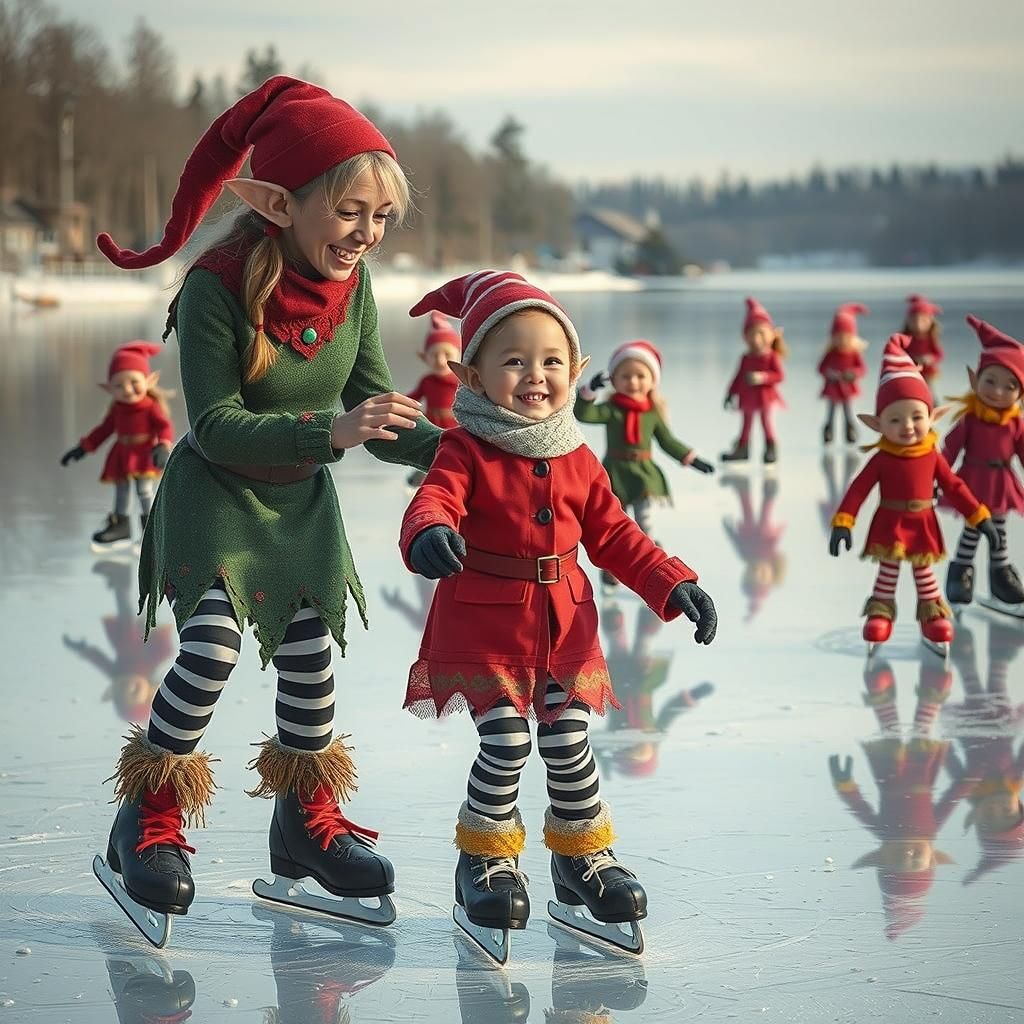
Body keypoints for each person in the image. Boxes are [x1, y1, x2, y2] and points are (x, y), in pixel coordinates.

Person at [90, 76, 440, 946]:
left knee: (310, 660)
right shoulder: (215, 286)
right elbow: (213, 425)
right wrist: (331, 430)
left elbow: (376, 409)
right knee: (210, 648)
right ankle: (146, 816)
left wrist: (465, 452)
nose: (367, 233)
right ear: (277, 204)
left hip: (299, 508)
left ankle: (304, 827)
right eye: (350, 212)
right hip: (214, 496)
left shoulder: (354, 289)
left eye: (382, 216)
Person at [397, 269, 717, 961]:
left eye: (550, 361)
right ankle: (485, 860)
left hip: (566, 630)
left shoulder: (577, 453)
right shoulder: (464, 446)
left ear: (574, 371)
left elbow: (616, 535)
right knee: (507, 742)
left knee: (570, 744)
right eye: (514, 361)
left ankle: (581, 860)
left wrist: (673, 584)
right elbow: (434, 499)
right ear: (472, 376)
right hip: (486, 631)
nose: (535, 376)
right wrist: (427, 532)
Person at [829, 335, 997, 650]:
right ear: (878, 424)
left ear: (931, 417)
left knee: (924, 571)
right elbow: (858, 489)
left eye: (916, 417)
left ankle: (932, 615)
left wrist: (979, 516)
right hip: (890, 522)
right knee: (888, 570)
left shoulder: (931, 456)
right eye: (895, 419)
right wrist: (844, 521)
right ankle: (880, 612)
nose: (907, 426)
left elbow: (954, 486)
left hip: (922, 523)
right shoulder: (881, 458)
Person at [574, 339, 713, 588]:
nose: (633, 382)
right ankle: (613, 568)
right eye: (625, 376)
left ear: (652, 381)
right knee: (614, 523)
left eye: (640, 376)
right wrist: (589, 392)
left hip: (644, 475)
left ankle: (651, 565)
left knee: (645, 522)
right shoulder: (611, 409)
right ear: (614, 380)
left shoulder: (652, 413)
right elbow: (585, 414)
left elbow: (667, 441)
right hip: (615, 473)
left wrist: (692, 458)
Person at [942, 315, 1024, 613]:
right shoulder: (970, 420)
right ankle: (960, 576)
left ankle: (1001, 577)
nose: (997, 392)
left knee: (999, 531)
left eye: (1009, 386)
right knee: (973, 529)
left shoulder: (1015, 424)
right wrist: (937, 477)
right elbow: (949, 449)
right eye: (990, 381)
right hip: (973, 482)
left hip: (1001, 482)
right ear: (976, 380)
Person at [60, 342, 173, 551]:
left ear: (150, 381)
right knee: (121, 491)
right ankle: (121, 528)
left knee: (144, 491)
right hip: (121, 454)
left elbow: (164, 426)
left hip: (143, 454)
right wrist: (83, 448)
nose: (127, 390)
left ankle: (151, 531)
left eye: (134, 382)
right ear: (109, 388)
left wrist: (163, 445)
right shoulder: (117, 410)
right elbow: (103, 430)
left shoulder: (150, 407)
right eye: (119, 385)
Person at [721, 297, 786, 464]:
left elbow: (779, 376)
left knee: (766, 422)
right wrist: (730, 394)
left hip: (765, 396)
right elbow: (738, 377)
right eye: (752, 334)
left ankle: (770, 448)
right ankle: (742, 449)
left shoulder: (771, 357)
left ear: (770, 335)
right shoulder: (746, 358)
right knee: (746, 423)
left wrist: (763, 377)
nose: (756, 339)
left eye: (761, 333)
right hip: (748, 396)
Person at [817, 303, 869, 445]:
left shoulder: (853, 354)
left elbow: (862, 369)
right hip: (833, 388)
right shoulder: (830, 354)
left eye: (845, 337)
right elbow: (821, 368)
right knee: (831, 412)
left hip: (846, 388)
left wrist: (851, 374)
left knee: (848, 411)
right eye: (838, 337)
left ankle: (850, 432)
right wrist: (829, 374)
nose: (841, 340)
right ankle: (828, 432)